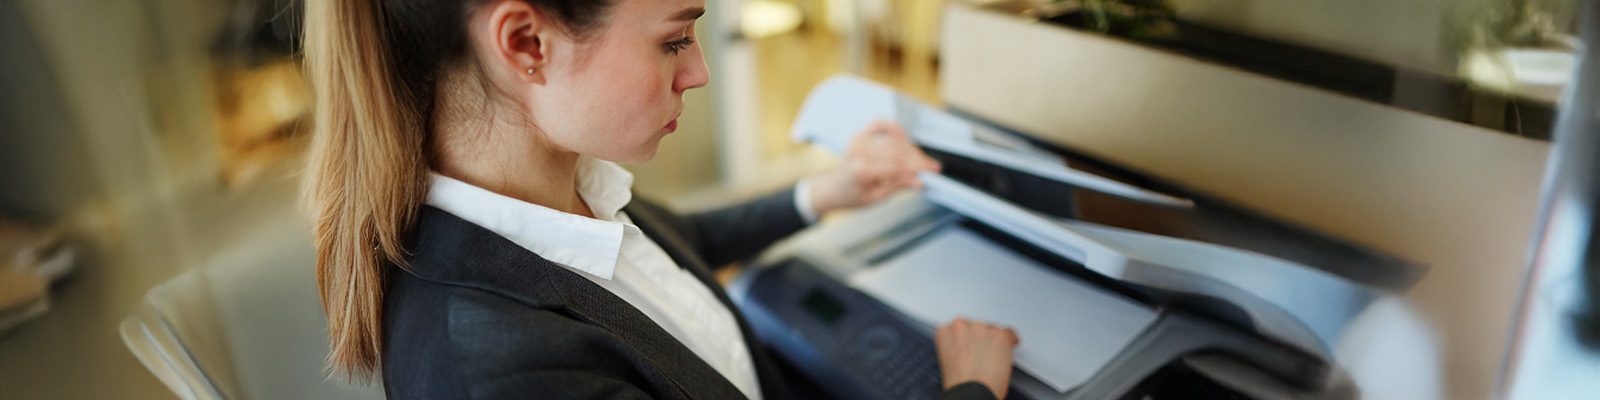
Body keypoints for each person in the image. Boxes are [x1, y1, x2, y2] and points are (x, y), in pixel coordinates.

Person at [300, 0, 1020, 399]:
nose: (701, 70)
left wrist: (822, 193)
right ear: (527, 43)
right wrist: (970, 395)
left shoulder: (554, 191)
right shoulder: (499, 372)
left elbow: (672, 254)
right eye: (675, 39)